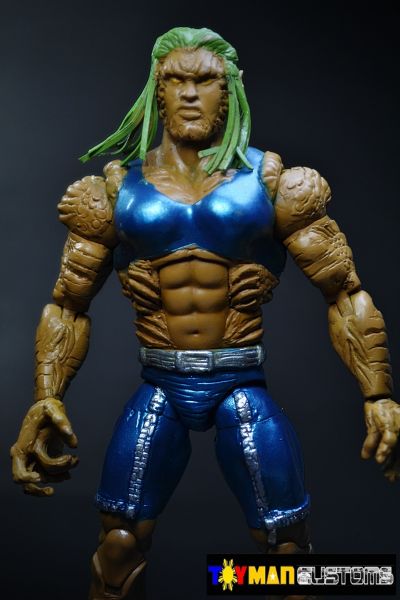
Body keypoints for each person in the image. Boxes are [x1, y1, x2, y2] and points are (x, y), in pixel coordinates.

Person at [11, 27, 399, 600]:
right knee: (117, 544)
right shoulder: (116, 192)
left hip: (240, 382)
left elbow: (345, 293)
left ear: (231, 90)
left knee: (287, 552)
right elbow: (67, 303)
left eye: (205, 80)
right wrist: (46, 395)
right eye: (176, 80)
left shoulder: (274, 185)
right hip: (161, 384)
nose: (190, 93)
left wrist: (378, 393)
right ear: (157, 90)